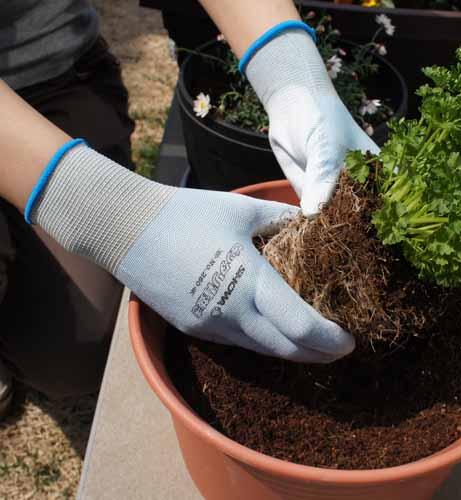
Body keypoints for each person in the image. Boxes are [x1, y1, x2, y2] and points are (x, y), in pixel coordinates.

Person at [0, 0, 377, 419]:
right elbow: (102, 210)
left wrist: (290, 74)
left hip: (48, 74)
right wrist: (107, 211)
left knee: (74, 354)